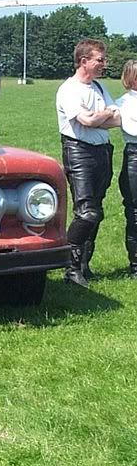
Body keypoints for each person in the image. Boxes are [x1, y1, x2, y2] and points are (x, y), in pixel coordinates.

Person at [56, 38, 119, 286]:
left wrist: (98, 117)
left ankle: (84, 265)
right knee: (86, 212)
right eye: (99, 60)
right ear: (84, 61)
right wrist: (103, 116)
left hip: (102, 151)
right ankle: (70, 267)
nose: (104, 64)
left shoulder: (100, 88)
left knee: (98, 211)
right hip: (79, 152)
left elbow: (117, 120)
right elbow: (87, 121)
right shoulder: (69, 90)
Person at [116, 60, 137, 277]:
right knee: (135, 213)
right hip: (134, 157)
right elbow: (132, 128)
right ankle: (135, 265)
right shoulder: (123, 103)